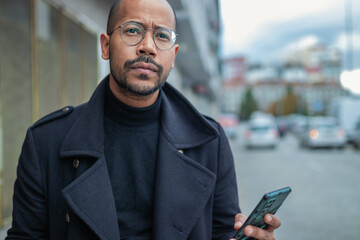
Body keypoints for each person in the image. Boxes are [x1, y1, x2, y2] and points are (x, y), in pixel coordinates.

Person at [6, 0, 282, 239]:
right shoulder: (46, 142)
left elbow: (221, 230)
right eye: (133, 31)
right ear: (105, 46)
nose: (147, 47)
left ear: (172, 57)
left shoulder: (210, 141)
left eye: (162, 36)